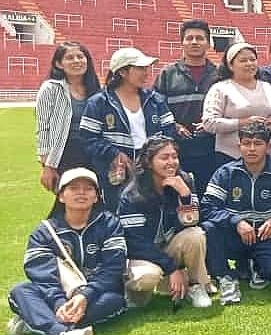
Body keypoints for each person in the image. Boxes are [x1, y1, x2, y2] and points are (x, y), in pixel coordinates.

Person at [7, 168, 126, 335]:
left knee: (115, 300)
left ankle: (35, 320)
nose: (81, 192)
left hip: (94, 294)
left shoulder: (109, 224)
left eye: (88, 188)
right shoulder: (45, 231)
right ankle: (66, 334)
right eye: (74, 188)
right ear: (61, 196)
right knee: (20, 291)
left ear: (96, 196)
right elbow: (42, 275)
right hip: (55, 296)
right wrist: (59, 303)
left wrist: (84, 296)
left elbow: (113, 268)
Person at [202, 122, 271, 305]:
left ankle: (254, 266)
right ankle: (226, 278)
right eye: (246, 143)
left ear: (268, 146)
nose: (251, 149)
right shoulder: (226, 173)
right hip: (234, 234)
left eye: (258, 143)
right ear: (239, 146)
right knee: (208, 228)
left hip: (264, 235)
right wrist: (236, 221)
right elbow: (208, 207)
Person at [117, 136, 212, 309]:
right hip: (143, 255)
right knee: (145, 280)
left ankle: (195, 286)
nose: (171, 162)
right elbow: (135, 243)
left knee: (195, 235)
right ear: (148, 162)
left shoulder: (184, 181)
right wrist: (172, 269)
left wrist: (185, 196)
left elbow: (193, 223)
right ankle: (134, 288)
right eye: (164, 157)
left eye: (174, 156)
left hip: (169, 247)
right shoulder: (132, 195)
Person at [80, 47, 177, 210]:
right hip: (116, 174)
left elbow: (169, 131)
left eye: (146, 68)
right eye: (140, 68)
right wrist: (115, 154)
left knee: (154, 212)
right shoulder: (99, 102)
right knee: (118, 213)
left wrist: (155, 158)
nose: (146, 73)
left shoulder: (155, 100)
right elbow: (87, 138)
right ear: (123, 72)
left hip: (152, 171)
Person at [153, 20, 220, 195]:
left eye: (200, 38)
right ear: (182, 43)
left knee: (208, 193)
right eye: (189, 38)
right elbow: (156, 108)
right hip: (176, 150)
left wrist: (211, 125)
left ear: (208, 42)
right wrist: (174, 126)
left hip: (211, 148)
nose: (195, 42)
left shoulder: (219, 75)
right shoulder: (168, 74)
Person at [201, 42, 271, 164]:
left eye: (252, 59)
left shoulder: (268, 87)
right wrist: (244, 122)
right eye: (243, 60)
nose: (249, 64)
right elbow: (209, 123)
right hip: (230, 157)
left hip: (267, 157)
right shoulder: (220, 89)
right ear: (231, 65)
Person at [36, 41, 101, 192]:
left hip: (93, 153)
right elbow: (43, 129)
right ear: (59, 64)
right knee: (68, 199)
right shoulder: (51, 88)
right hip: (64, 154)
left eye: (80, 56)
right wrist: (47, 166)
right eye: (70, 58)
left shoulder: (96, 90)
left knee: (94, 199)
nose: (77, 61)